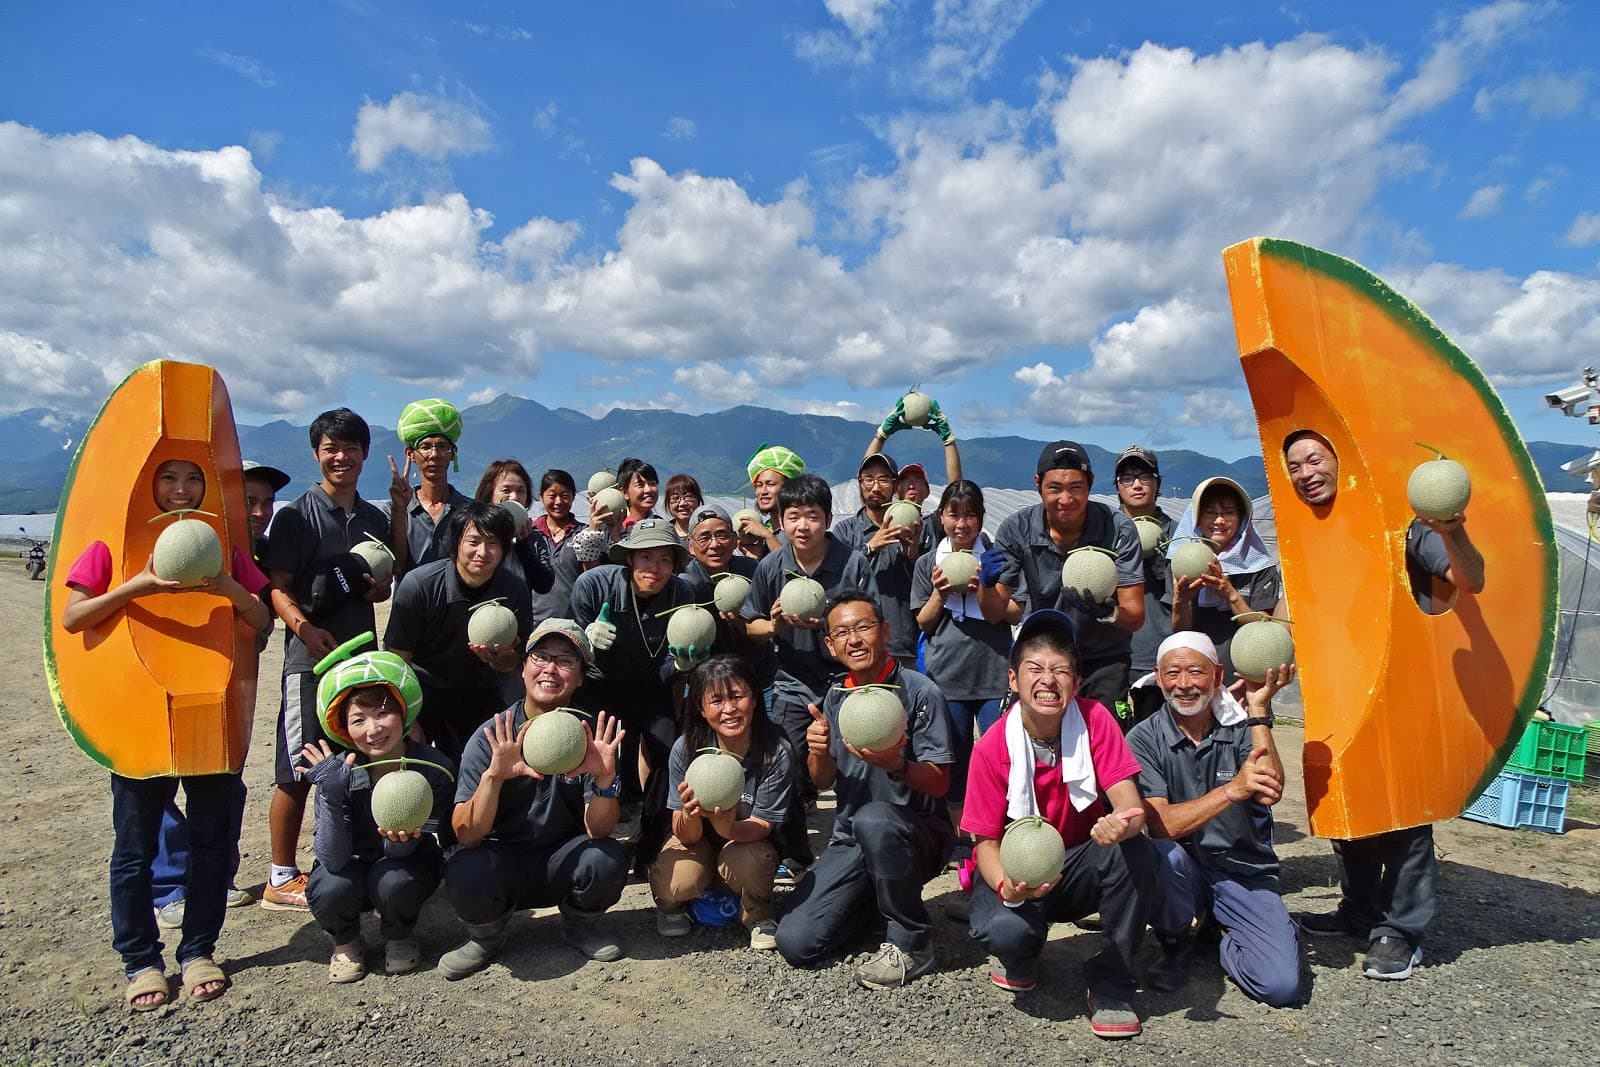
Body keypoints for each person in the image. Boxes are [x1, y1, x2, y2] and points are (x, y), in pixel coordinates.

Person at [62, 457, 272, 1009]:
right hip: (141, 713)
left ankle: (198, 949)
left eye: (193, 479)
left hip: (211, 711)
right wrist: (143, 583)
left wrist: (226, 580)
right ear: (149, 483)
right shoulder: (113, 541)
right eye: (169, 478)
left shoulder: (220, 545)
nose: (181, 489)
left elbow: (262, 621)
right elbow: (73, 616)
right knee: (133, 850)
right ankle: (140, 960)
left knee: (210, 844)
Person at [1284, 429, 1485, 981]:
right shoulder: (1307, 536)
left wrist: (1452, 530)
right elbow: (1294, 612)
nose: (1305, 472)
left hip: (1401, 689)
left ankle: (1403, 929)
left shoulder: (1401, 525)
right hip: (1338, 693)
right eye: (1294, 465)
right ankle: (1360, 909)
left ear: (1339, 460)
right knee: (1348, 805)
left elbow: (1471, 578)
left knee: (1403, 812)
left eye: (1314, 458)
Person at [961, 609, 1157, 1040]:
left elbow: (1131, 805)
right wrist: (1005, 887)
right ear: (1013, 680)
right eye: (1034, 667)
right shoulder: (993, 746)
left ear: (1076, 681)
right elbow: (986, 843)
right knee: (1005, 932)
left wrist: (1120, 825)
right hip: (1019, 873)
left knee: (1136, 852)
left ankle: (1111, 983)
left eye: (1060, 669)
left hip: (1080, 864)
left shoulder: (1096, 720)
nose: (1048, 679)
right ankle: (1022, 950)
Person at [262, 408, 407, 911]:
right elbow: (274, 589)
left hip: (360, 661)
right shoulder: (296, 516)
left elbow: (389, 575)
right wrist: (304, 628)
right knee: (298, 766)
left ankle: (349, 857)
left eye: (349, 447)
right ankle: (280, 875)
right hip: (308, 660)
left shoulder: (370, 518)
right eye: (330, 448)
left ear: (364, 453)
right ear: (316, 453)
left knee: (355, 757)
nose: (340, 456)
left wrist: (396, 518)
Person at [775, 592, 954, 988]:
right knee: (796, 941)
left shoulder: (920, 692)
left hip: (915, 833)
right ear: (830, 645)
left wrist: (897, 765)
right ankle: (877, 903)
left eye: (863, 627)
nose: (853, 639)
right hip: (852, 838)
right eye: (841, 632)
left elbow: (940, 782)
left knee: (875, 819)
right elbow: (823, 780)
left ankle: (911, 941)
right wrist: (817, 752)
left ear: (884, 631)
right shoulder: (836, 696)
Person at [440, 619, 630, 978]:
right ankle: (487, 937)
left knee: (606, 857)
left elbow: (599, 829)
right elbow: (467, 834)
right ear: (524, 667)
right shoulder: (491, 735)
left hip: (563, 859)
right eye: (540, 657)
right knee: (465, 868)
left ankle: (579, 925)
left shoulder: (591, 740)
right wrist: (494, 778)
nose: (550, 669)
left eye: (565, 661)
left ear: (580, 678)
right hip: (502, 861)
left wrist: (604, 779)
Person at [1126, 632, 1300, 1006]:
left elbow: (1271, 791)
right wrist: (1231, 791)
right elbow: (1160, 824)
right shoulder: (1143, 737)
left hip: (1241, 870)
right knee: (1160, 852)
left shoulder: (1242, 727)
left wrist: (1258, 711)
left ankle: (1221, 934)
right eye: (1173, 673)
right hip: (1183, 872)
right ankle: (1174, 944)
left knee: (1280, 987)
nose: (1184, 685)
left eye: (1196, 672)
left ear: (1218, 675)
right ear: (1158, 678)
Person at [151, 459, 288, 929]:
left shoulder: (254, 553)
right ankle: (170, 885)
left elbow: (262, 617)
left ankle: (216, 878)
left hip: (228, 681)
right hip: (168, 676)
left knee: (225, 780)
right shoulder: (174, 543)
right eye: (248, 500)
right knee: (163, 781)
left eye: (266, 502)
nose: (259, 510)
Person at [741, 474, 876, 868]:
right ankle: (797, 856)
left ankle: (854, 850)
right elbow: (752, 626)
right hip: (792, 683)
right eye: (794, 516)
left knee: (856, 765)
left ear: (828, 518)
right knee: (785, 766)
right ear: (780, 520)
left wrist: (827, 626)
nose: (803, 526)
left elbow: (869, 625)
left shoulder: (852, 563)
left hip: (846, 682)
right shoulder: (771, 567)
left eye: (813, 516)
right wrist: (776, 625)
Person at [300, 648, 455, 983]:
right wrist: (331, 795)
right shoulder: (338, 770)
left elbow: (424, 841)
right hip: (350, 860)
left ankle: (398, 933)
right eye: (358, 720)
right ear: (343, 728)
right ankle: (345, 941)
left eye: (383, 714)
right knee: (331, 886)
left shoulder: (433, 768)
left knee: (394, 881)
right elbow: (333, 858)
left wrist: (398, 845)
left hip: (405, 861)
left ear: (403, 713)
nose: (372, 730)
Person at [570, 518, 698, 871]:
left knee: (668, 752)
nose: (653, 569)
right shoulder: (593, 585)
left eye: (664, 560)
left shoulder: (683, 594)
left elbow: (677, 653)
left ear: (674, 565)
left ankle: (651, 840)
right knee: (591, 759)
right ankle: (585, 838)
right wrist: (586, 640)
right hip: (599, 685)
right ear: (629, 559)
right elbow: (568, 642)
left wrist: (681, 667)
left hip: (651, 685)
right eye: (645, 557)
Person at [978, 441, 1145, 710]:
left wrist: (1108, 612)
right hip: (1045, 656)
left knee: (1100, 742)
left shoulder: (1118, 529)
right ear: (1038, 484)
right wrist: (985, 586)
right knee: (1040, 744)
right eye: (1054, 488)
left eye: (1076, 488)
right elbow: (993, 612)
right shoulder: (1017, 529)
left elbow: (1135, 615)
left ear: (1090, 483)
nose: (1065, 499)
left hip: (1104, 659)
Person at [652, 655, 794, 950]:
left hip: (744, 843)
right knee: (677, 879)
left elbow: (763, 825)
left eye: (737, 696)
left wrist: (725, 824)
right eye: (716, 701)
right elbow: (685, 834)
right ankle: (673, 906)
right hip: (697, 843)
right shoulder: (685, 749)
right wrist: (691, 815)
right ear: (701, 710)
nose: (729, 709)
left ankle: (758, 913)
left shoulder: (776, 750)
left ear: (755, 699)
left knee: (754, 861)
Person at [384, 500, 533, 760]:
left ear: (505, 548)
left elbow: (515, 660)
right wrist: (408, 719)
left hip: (481, 691)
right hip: (422, 690)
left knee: (481, 766)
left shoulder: (515, 590)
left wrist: (501, 660)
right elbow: (397, 661)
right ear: (455, 545)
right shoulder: (419, 586)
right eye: (473, 542)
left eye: (493, 543)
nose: (483, 552)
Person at [911, 480, 1014, 827]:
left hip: (993, 675)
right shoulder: (929, 563)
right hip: (947, 677)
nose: (962, 524)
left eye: (970, 515)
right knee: (953, 758)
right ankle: (959, 833)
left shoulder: (996, 558)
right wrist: (940, 594)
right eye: (954, 514)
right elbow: (923, 622)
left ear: (982, 519)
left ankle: (996, 824)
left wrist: (985, 585)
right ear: (941, 517)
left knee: (999, 755)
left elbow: (1003, 613)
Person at [1164, 476, 1285, 677]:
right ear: (1197, 517)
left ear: (1242, 518)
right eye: (1210, 512)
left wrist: (1230, 594)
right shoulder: (1181, 562)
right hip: (1195, 676)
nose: (1219, 520)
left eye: (1228, 512)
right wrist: (1181, 602)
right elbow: (1181, 630)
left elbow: (1264, 630)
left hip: (1243, 675)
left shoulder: (1259, 565)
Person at [832, 452, 928, 670]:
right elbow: (835, 582)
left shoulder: (911, 526)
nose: (875, 487)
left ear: (895, 486)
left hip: (903, 647)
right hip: (857, 647)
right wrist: (869, 547)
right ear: (860, 483)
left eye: (884, 479)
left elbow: (923, 588)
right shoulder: (845, 531)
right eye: (869, 479)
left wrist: (912, 552)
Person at [681, 504, 776, 694]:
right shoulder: (686, 585)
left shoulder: (752, 570)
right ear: (691, 546)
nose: (714, 544)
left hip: (759, 677)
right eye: (704, 537)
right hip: (706, 683)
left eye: (722, 535)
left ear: (734, 540)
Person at [1115, 447, 1174, 696]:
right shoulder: (1104, 531)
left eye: (1145, 476)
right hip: (1113, 654)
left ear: (1157, 483)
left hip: (1162, 655)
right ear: (1117, 486)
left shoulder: (1178, 535)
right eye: (1127, 478)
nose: (1137, 484)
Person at [394, 398, 472, 571]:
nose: (434, 454)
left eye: (443, 446)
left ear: (453, 453)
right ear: (410, 454)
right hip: (409, 598)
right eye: (425, 446)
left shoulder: (471, 510)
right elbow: (396, 567)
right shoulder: (395, 510)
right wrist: (399, 511)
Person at [474, 458, 556, 599]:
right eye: (506, 490)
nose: (514, 497)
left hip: (520, 618)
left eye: (521, 491)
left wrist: (522, 545)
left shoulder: (535, 538)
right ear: (489, 493)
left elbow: (544, 585)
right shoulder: (474, 534)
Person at [526, 469, 584, 625]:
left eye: (565, 496)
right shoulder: (529, 534)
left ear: (573, 497)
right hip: (535, 625)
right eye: (552, 496)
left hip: (574, 623)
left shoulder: (584, 534)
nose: (558, 502)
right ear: (541, 497)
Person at [741, 443, 805, 557]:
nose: (763, 491)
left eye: (770, 484)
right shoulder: (763, 530)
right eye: (759, 485)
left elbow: (795, 567)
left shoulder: (802, 528)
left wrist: (768, 536)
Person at [615, 456, 661, 529]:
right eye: (640, 485)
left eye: (652, 483)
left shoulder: (662, 527)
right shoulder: (612, 527)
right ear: (624, 493)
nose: (648, 489)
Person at [663, 473, 704, 540]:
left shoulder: (708, 530)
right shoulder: (663, 533)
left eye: (688, 496)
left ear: (698, 500)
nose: (682, 503)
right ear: (668, 503)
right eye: (675, 498)